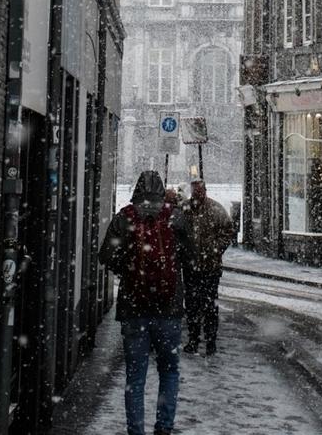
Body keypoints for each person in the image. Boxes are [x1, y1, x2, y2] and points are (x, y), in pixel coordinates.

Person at [99, 171, 185, 435]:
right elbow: (191, 255)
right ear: (162, 191)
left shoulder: (125, 218)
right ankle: (164, 428)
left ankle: (136, 431)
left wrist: (130, 269)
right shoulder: (175, 217)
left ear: (136, 190)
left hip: (134, 308)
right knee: (169, 372)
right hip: (169, 310)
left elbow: (106, 256)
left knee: (135, 378)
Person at [181, 180, 233, 355]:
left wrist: (215, 249)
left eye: (200, 191)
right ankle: (194, 339)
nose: (198, 194)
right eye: (195, 191)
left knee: (209, 306)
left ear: (205, 191)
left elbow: (227, 232)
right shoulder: (184, 209)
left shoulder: (216, 209)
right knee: (192, 306)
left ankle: (210, 341)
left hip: (210, 268)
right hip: (191, 268)